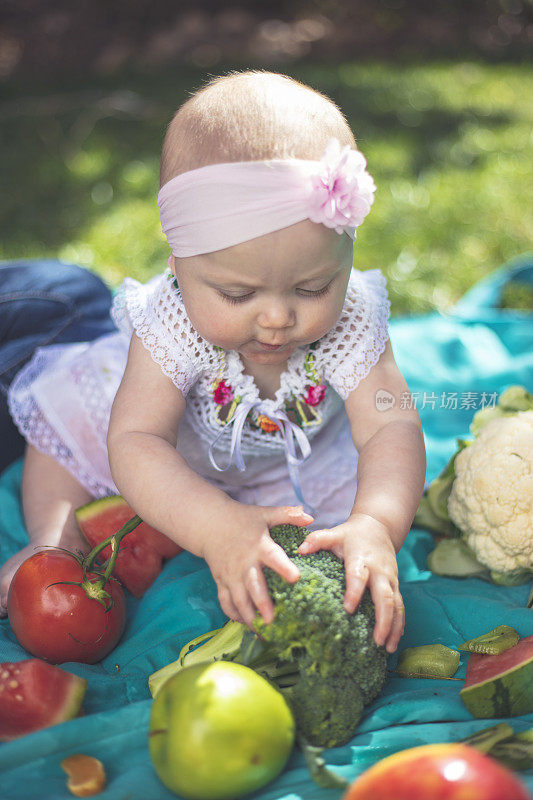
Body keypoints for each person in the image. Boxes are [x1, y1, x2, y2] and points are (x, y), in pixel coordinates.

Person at [1, 71, 426, 653]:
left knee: (352, 498)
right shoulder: (172, 323)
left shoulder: (352, 318)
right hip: (166, 451)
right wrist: (214, 524)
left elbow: (392, 421)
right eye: (237, 295)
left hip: (286, 463)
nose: (277, 318)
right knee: (65, 432)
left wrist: (376, 523)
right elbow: (137, 438)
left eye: (312, 287)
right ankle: (52, 539)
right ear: (178, 265)